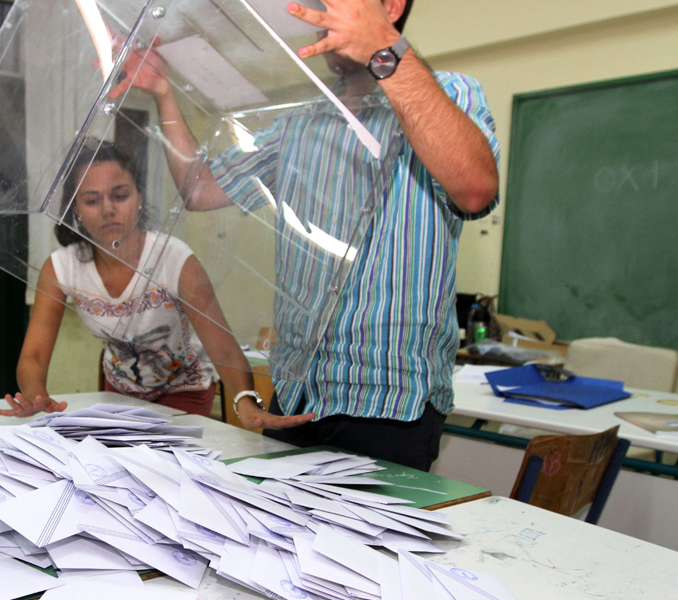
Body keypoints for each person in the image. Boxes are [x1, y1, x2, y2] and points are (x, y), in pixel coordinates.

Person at [110, 0, 500, 470]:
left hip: (388, 402)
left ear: (390, 6)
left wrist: (384, 49)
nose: (317, 12)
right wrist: (163, 93)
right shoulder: (301, 119)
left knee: (368, 545)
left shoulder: (449, 94)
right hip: (296, 395)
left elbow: (475, 189)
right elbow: (201, 189)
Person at [0, 141, 313, 426]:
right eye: (91, 200)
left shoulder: (175, 260)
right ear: (75, 209)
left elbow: (224, 347)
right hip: (120, 389)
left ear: (139, 197)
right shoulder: (61, 268)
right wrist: (35, 396)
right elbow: (33, 355)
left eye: (120, 195)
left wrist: (246, 400)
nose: (108, 210)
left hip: (184, 386)